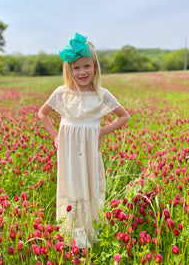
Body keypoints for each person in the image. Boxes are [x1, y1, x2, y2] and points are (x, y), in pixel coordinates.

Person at [38, 33, 130, 248]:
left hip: (89, 149)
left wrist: (101, 132)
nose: (82, 72)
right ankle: (71, 234)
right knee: (71, 185)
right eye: (76, 68)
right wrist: (55, 136)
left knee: (89, 186)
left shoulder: (101, 94)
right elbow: (42, 114)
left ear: (95, 67)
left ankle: (89, 232)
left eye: (86, 66)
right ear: (69, 70)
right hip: (68, 150)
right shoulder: (62, 93)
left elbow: (124, 116)